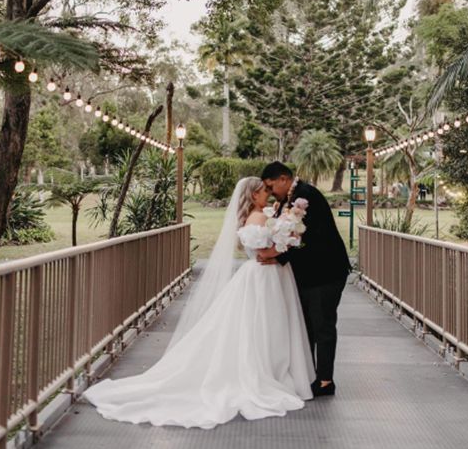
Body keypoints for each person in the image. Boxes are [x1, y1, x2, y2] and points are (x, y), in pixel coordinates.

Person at [82, 177, 314, 429]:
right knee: (265, 326)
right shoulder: (257, 218)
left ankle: (272, 368)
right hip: (262, 278)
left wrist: (286, 231)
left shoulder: (263, 214)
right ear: (253, 195)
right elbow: (263, 253)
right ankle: (267, 372)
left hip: (267, 277)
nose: (267, 194)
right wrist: (289, 240)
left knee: (265, 326)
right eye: (263, 191)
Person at [256, 162, 352, 397]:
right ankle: (309, 376)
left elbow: (300, 237)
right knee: (307, 325)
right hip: (308, 275)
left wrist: (278, 257)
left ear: (283, 178)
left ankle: (326, 380)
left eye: (271, 187)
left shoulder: (305, 196)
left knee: (323, 326)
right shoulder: (290, 198)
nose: (270, 193)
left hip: (325, 273)